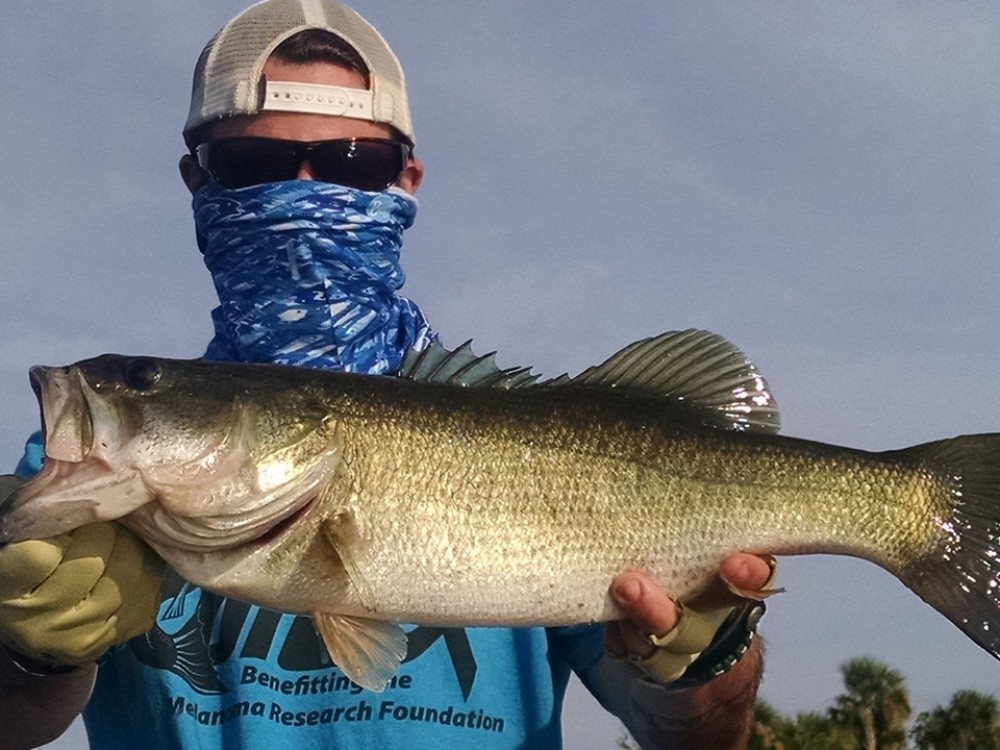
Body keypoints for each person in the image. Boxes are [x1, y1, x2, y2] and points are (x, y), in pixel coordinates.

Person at [0, 2, 775, 748]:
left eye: (350, 163)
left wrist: (708, 660)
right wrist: (32, 654)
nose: (303, 193)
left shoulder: (548, 439)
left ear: (405, 182)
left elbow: (700, 738)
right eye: (251, 164)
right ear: (197, 183)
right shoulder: (82, 477)